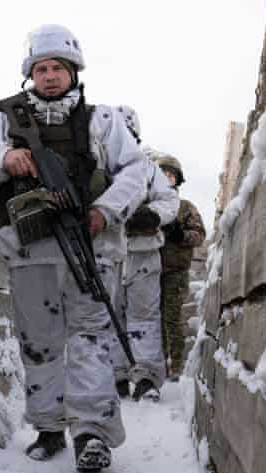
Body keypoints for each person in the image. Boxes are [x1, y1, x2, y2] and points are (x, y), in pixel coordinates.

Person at [0, 24, 148, 473]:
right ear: (31, 74)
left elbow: (137, 170)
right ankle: (48, 428)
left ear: (73, 71)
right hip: (31, 252)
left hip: (91, 249)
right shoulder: (5, 121)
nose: (48, 76)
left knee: (90, 339)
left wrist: (105, 211)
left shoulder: (103, 121)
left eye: (57, 68)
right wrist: (3, 158)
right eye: (40, 69)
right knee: (38, 343)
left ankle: (91, 433)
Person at [110, 106, 178, 402]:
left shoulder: (148, 169)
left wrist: (151, 215)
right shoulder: (95, 166)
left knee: (144, 317)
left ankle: (147, 378)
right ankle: (116, 375)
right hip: (108, 253)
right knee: (109, 315)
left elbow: (169, 201)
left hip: (143, 252)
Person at [157, 155, 206, 380]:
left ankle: (175, 367)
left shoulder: (185, 207)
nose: (167, 178)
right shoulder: (150, 204)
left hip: (175, 272)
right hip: (149, 271)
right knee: (152, 320)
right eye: (163, 174)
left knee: (172, 319)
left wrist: (180, 235)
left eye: (171, 175)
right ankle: (157, 365)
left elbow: (199, 235)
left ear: (177, 179)